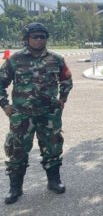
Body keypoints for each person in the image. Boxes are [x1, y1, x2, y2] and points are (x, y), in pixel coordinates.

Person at [0, 23, 73, 204]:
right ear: (27, 39)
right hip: (22, 115)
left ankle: (54, 181)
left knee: (53, 147)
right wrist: (5, 105)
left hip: (48, 114)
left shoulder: (56, 59)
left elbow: (66, 79)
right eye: (35, 36)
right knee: (17, 150)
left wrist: (62, 99)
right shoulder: (14, 60)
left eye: (42, 36)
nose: (39, 40)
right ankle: (15, 188)